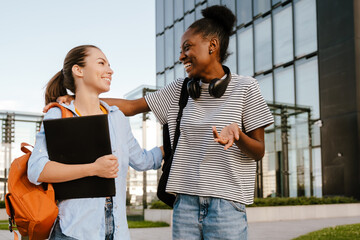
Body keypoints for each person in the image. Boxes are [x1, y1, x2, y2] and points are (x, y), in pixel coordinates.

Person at [52, 5, 274, 240]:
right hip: (185, 204)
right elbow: (131, 106)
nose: (181, 56)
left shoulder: (246, 88)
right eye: (181, 50)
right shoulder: (180, 90)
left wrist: (238, 136)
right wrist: (81, 97)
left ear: (212, 46)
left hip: (227, 205)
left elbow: (259, 150)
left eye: (187, 47)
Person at [28, 45, 164, 240]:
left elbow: (142, 160)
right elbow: (37, 170)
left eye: (109, 65)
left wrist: (176, 144)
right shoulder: (59, 114)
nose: (110, 70)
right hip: (75, 231)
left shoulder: (117, 117)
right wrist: (93, 169)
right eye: (101, 63)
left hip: (117, 232)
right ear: (78, 70)